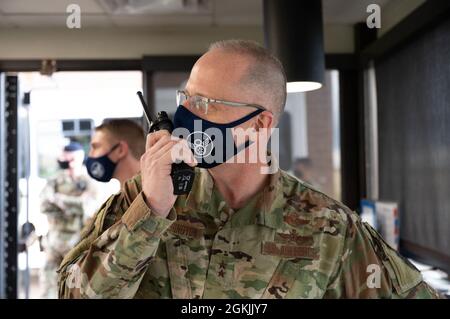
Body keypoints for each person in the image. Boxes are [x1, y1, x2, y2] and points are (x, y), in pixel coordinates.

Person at [57, 40, 441, 299]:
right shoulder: (143, 197)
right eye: (187, 97)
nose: (188, 114)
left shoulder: (331, 229)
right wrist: (152, 212)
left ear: (259, 125)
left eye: (207, 102)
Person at [40, 141, 96, 298]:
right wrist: (75, 203)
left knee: (77, 290)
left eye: (71, 159)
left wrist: (58, 200)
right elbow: (44, 206)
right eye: (66, 159)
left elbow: (87, 207)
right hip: (54, 244)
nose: (68, 163)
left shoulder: (89, 181)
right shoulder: (55, 180)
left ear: (79, 158)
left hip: (78, 244)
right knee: (49, 289)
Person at [85, 119, 145, 188]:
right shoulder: (133, 193)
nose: (90, 154)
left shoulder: (152, 192)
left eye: (96, 147)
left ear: (120, 150)